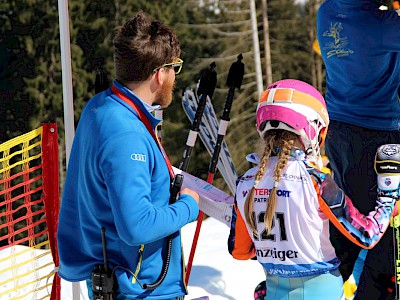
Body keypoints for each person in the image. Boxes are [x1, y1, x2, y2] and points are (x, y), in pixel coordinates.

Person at [57, 11, 200, 299]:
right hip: (138, 289)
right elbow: (137, 226)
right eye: (174, 68)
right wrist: (188, 206)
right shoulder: (127, 133)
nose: (174, 77)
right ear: (160, 74)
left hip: (121, 281)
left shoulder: (101, 107)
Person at [227, 79, 399, 299]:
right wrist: (387, 198)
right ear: (312, 127)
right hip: (322, 290)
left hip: (275, 290)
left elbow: (239, 251)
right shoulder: (316, 180)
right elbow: (366, 235)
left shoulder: (246, 181)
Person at [316, 1, 400, 298]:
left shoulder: (327, 11)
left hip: (339, 132)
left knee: (346, 222)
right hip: (378, 137)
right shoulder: (381, 24)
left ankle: (322, 289)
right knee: (384, 230)